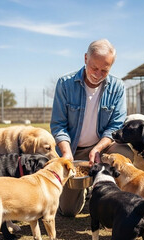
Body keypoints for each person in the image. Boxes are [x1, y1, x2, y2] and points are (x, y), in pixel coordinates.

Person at [50, 39, 134, 217]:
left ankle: (115, 198)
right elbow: (58, 125)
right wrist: (66, 154)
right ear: (86, 58)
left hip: (103, 148)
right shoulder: (65, 84)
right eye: (94, 67)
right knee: (68, 211)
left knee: (125, 153)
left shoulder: (117, 87)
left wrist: (98, 148)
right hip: (74, 151)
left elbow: (116, 125)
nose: (98, 74)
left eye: (105, 70)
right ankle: (85, 189)